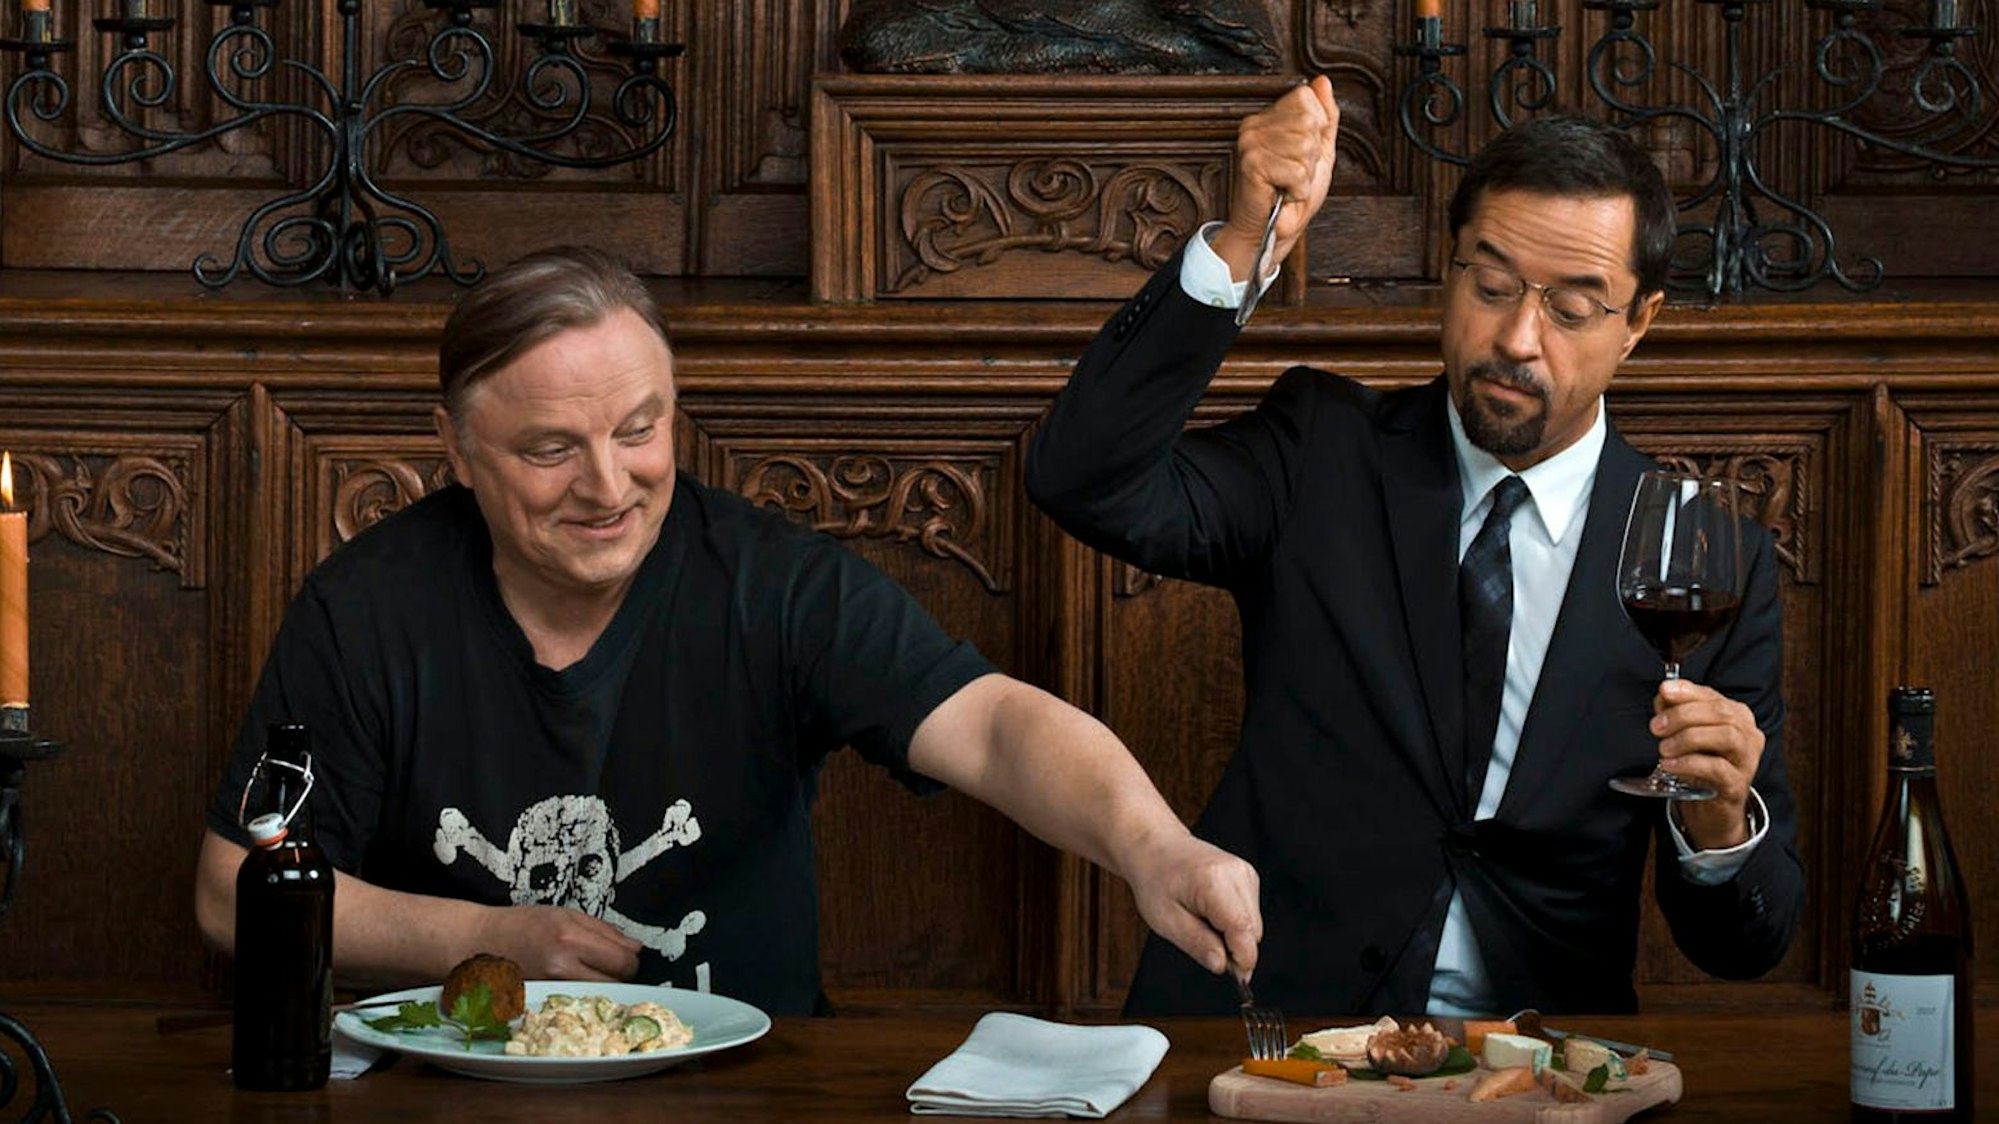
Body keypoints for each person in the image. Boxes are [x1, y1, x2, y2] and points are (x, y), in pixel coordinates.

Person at [193, 246, 1260, 1017]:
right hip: (455, 1090)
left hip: (751, 1088)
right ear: (458, 448)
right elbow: (233, 890)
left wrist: (1152, 844)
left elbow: (990, 726)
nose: (608, 485)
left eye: (639, 428)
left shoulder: (771, 582)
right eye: (551, 449)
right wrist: (491, 937)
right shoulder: (366, 606)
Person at [1024, 79, 1804, 1017]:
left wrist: (1715, 820)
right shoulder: (1319, 448)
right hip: (1267, 1028)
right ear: (1450, 274)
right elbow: (1081, 478)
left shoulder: (1708, 557)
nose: (1516, 339)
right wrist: (1245, 244)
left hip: (1536, 1067)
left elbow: (1745, 947)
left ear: (1637, 323)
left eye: (1570, 308)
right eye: (1491, 285)